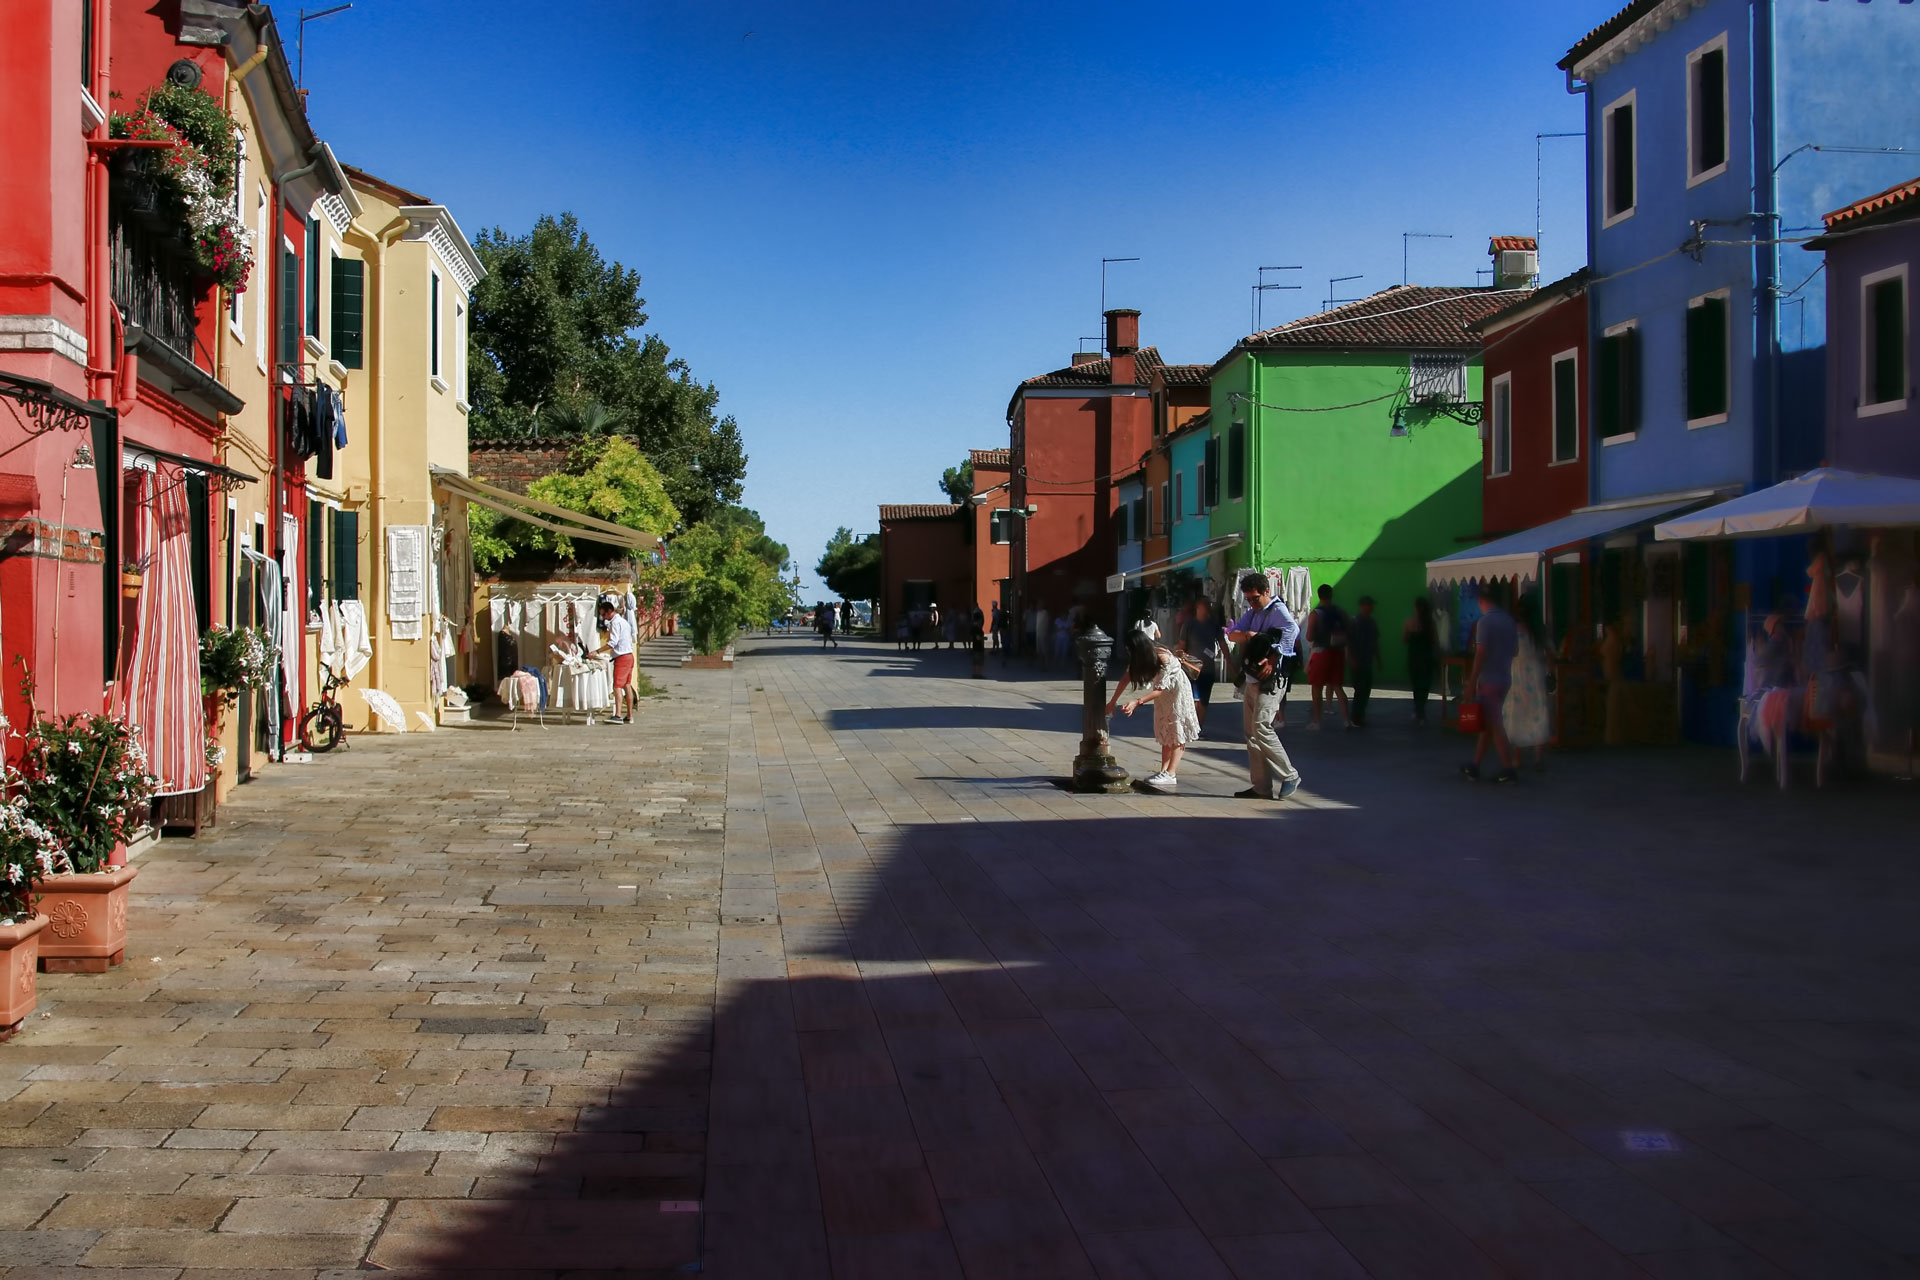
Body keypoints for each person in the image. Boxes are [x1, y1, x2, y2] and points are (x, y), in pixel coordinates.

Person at [1226, 571, 1303, 800]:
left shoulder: (1277, 611)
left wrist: (1273, 657)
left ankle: (1289, 774)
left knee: (1261, 727)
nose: (1251, 602)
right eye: (1248, 599)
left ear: (1267, 592)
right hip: (1252, 680)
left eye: (1255, 598)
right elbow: (1232, 635)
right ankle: (1261, 787)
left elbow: (1292, 631)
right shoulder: (1253, 613)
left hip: (1271, 680)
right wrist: (1250, 635)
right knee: (1251, 734)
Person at [1107, 626, 1200, 793]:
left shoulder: (1163, 656)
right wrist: (1112, 702)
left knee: (1177, 730)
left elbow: (1160, 689)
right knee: (1166, 730)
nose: (1128, 652)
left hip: (1177, 694)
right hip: (1164, 697)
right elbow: (1126, 678)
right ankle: (1164, 771)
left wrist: (1137, 702)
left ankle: (1171, 773)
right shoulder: (1142, 657)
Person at [1462, 581, 1519, 782]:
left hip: (1489, 680)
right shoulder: (1509, 621)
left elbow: (1480, 654)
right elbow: (1515, 651)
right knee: (1487, 723)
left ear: (1481, 601)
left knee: (1494, 724)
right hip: (1504, 677)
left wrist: (1471, 683)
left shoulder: (1484, 623)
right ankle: (1475, 764)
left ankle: (1508, 766)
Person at [1506, 600, 1551, 769]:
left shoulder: (1514, 630)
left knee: (1517, 712)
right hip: (1536, 673)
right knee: (1537, 712)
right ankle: (1538, 757)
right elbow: (1549, 653)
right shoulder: (1540, 631)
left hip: (1518, 674)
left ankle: (1517, 758)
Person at [1305, 584, 1354, 730]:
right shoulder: (1341, 612)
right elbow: (1349, 630)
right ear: (1331, 595)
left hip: (1321, 653)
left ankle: (1317, 722)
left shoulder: (1316, 614)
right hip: (1338, 652)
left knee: (1317, 688)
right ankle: (1346, 720)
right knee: (1338, 687)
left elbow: (1309, 636)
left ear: (1319, 596)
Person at [1178, 598, 1226, 730]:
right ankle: (1192, 727)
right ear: (1198, 607)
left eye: (1209, 605)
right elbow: (1182, 646)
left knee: (1204, 702)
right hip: (1192, 669)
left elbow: (1223, 644)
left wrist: (1231, 664)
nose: (1208, 608)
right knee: (1194, 700)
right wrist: (1180, 661)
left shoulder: (1214, 624)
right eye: (1205, 605)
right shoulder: (1189, 624)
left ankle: (1199, 728)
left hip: (1208, 670)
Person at [594, 596, 636, 725]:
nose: (604, 618)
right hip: (629, 655)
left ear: (609, 611)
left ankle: (618, 715)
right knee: (627, 685)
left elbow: (612, 643)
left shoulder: (615, 623)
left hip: (622, 657)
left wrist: (596, 652)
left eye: (604, 614)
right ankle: (629, 715)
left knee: (617, 686)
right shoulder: (623, 622)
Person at [1404, 596, 1438, 725]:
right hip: (1427, 658)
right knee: (1425, 685)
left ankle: (1418, 709)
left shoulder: (1409, 622)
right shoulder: (1431, 623)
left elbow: (1404, 639)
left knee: (1416, 685)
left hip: (1414, 658)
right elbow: (1435, 641)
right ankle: (1420, 709)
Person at [1348, 596, 1381, 728]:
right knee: (1359, 690)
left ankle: (1360, 715)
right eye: (1369, 605)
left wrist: (1378, 660)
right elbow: (1348, 642)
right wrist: (1351, 659)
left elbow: (1375, 643)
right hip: (1357, 660)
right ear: (1363, 606)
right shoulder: (1355, 621)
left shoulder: (1372, 622)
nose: (1372, 607)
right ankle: (1355, 717)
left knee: (1366, 689)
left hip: (1367, 661)